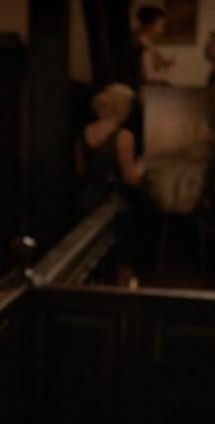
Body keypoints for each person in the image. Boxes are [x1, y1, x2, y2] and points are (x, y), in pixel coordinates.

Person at [75, 83, 148, 282]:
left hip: (87, 202)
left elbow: (81, 171)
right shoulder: (124, 136)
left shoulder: (84, 133)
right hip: (114, 207)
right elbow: (130, 178)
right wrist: (143, 165)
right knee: (120, 262)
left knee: (89, 263)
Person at [132, 6, 175, 85]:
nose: (161, 31)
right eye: (160, 26)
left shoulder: (148, 44)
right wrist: (164, 75)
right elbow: (148, 76)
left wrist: (164, 63)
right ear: (148, 26)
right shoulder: (141, 45)